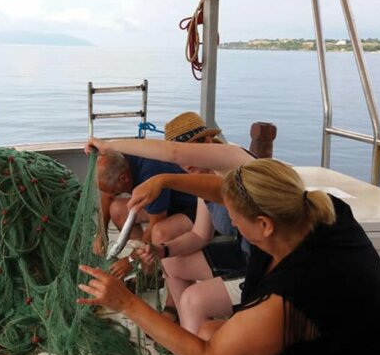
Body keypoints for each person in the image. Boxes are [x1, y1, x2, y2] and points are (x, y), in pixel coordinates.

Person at [78, 159, 380, 355]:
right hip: (354, 332)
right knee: (204, 330)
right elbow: (224, 191)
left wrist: (126, 303)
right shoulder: (317, 211)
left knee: (208, 342)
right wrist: (166, 180)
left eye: (234, 219)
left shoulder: (287, 299)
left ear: (264, 225)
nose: (230, 224)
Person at [86, 115, 255, 328]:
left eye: (189, 153)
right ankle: (188, 327)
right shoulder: (202, 180)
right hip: (241, 253)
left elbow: (173, 152)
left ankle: (192, 330)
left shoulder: (233, 158)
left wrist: (108, 145)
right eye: (179, 162)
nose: (184, 163)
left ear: (208, 143)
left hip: (265, 266)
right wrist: (161, 251)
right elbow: (199, 235)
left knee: (193, 299)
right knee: (170, 261)